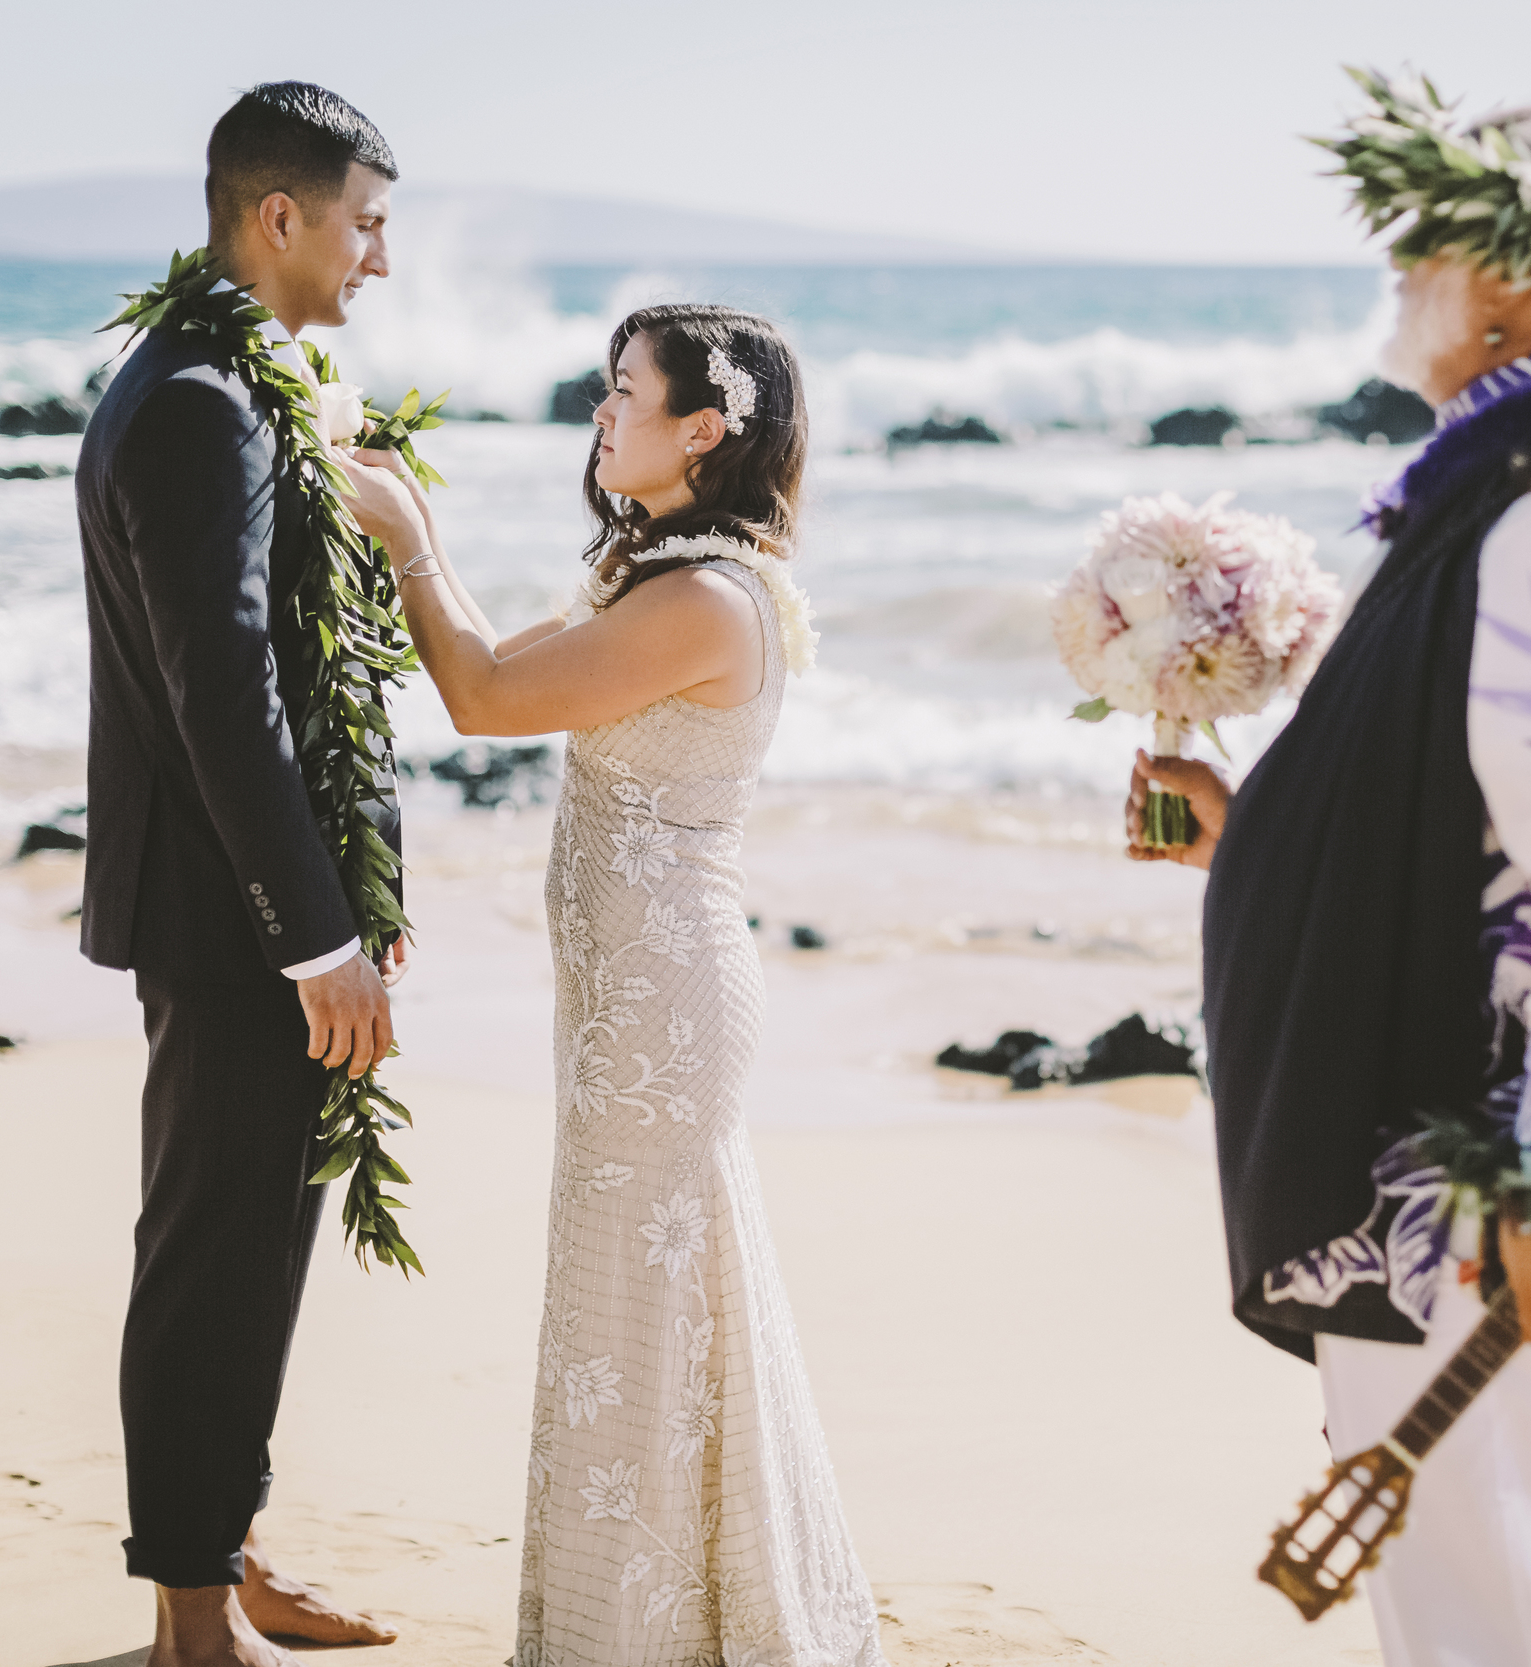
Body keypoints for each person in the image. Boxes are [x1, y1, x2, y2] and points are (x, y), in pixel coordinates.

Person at [1127, 92, 1531, 1665]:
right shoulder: (1519, 486)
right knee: (1472, 1612)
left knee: (1515, 1625)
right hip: (1462, 1183)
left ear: (1519, 271)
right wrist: (1253, 835)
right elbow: (1485, 832)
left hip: (1501, 1194)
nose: (1399, 264)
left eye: (1431, 231)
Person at [336, 305, 886, 1667]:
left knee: (643, 1309)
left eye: (624, 393)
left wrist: (411, 534)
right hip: (628, 999)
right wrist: (404, 541)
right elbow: (493, 662)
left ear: (705, 426)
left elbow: (480, 698)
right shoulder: (660, 571)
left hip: (662, 1011)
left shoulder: (701, 598)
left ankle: (662, 1629)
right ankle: (662, 1611)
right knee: (649, 1301)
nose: (601, 414)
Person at [75, 83, 409, 1666]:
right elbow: (225, 692)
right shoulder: (203, 401)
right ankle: (191, 1620)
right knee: (212, 1249)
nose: (380, 259)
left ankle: (229, 1551)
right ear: (279, 219)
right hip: (228, 923)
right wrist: (315, 937)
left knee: (256, 1242)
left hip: (244, 912)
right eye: (366, 221)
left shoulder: (227, 377)